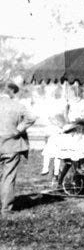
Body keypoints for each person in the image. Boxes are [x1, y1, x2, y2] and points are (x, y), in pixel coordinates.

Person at [0, 82, 37, 214]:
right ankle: (5, 208)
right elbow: (32, 117)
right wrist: (18, 130)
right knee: (8, 176)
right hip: (11, 144)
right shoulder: (17, 105)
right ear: (11, 92)